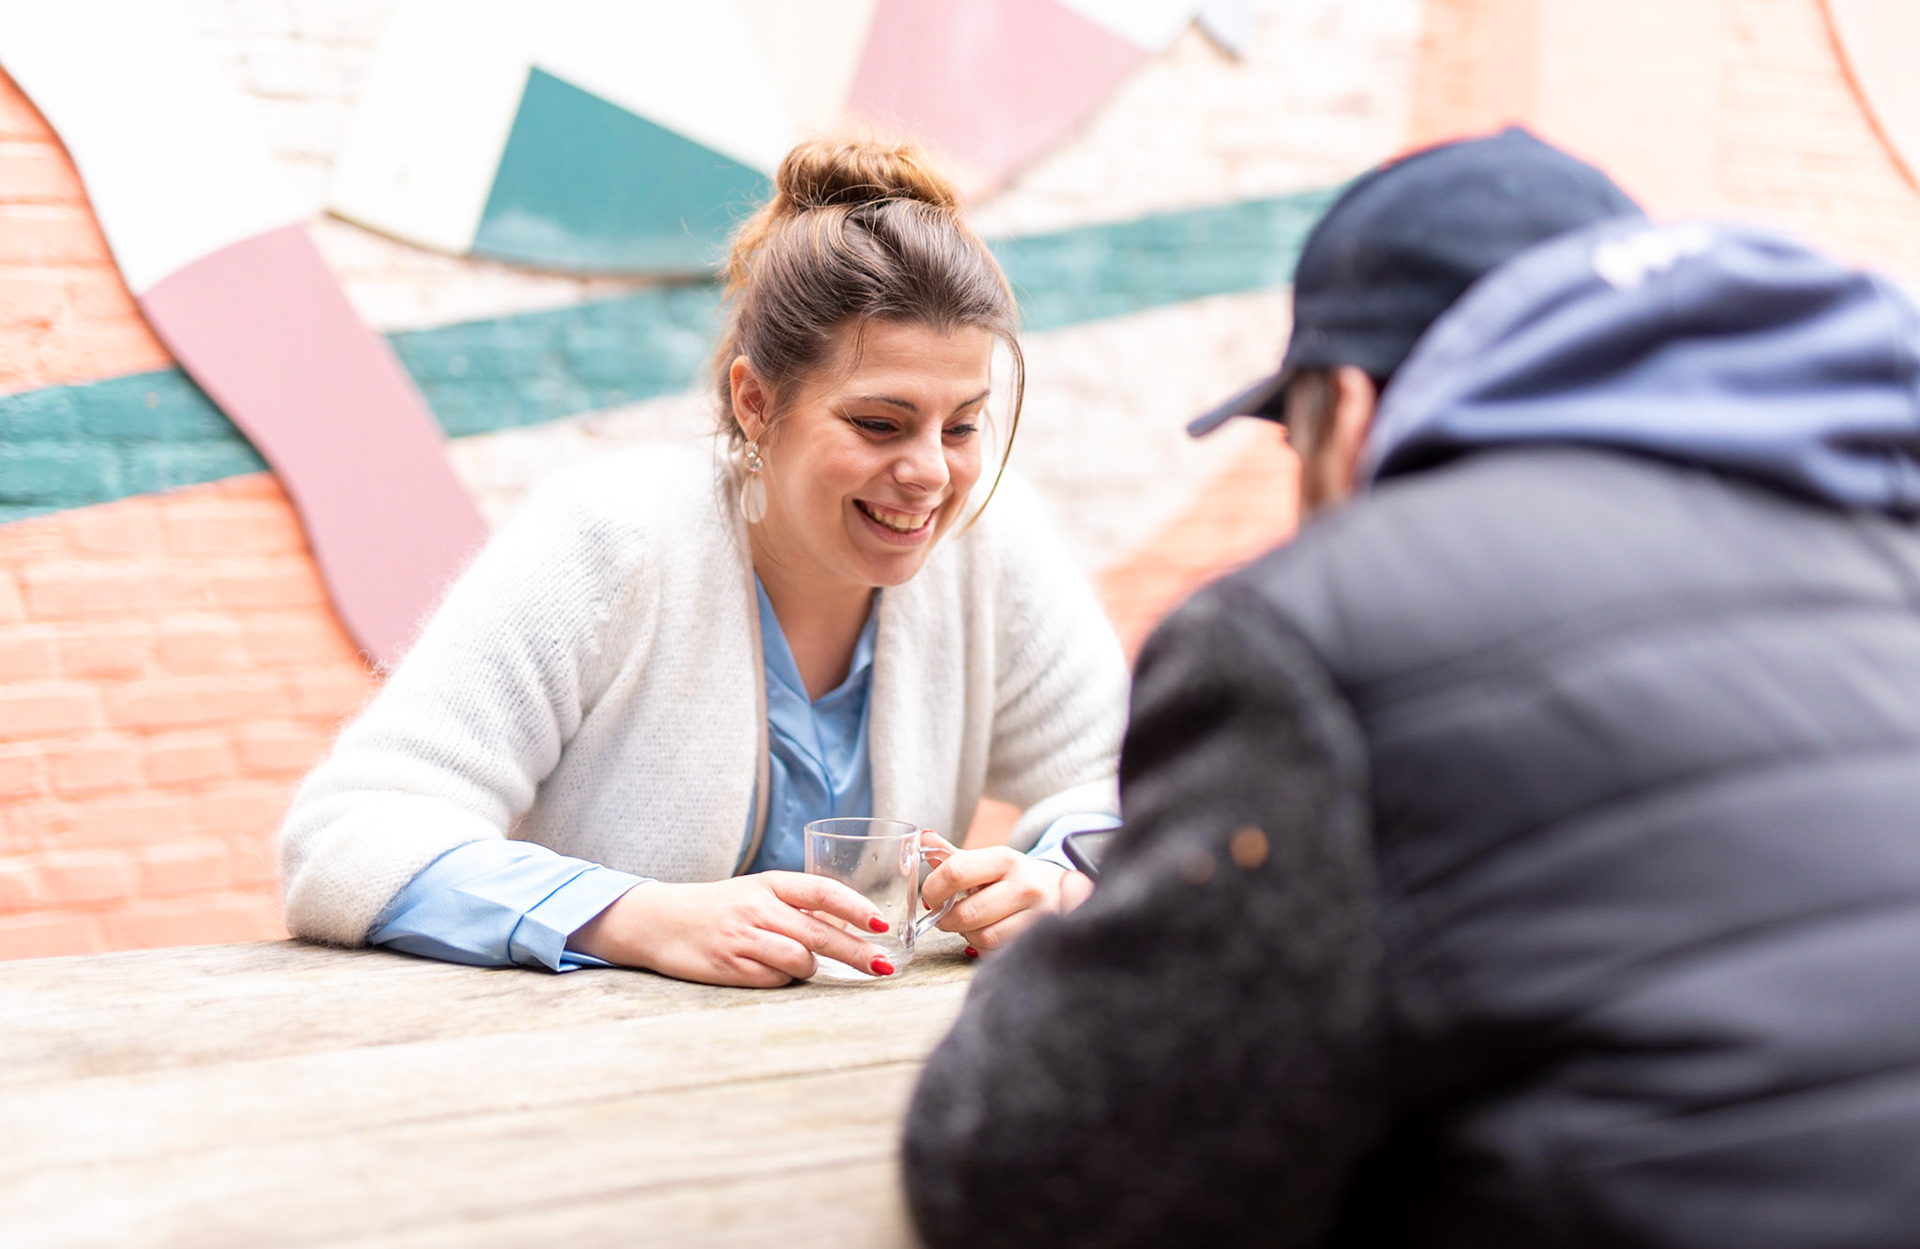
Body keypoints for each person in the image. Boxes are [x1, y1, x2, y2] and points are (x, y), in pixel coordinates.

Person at [903, 126, 1920, 1246]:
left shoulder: (1329, 627)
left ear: (1345, 409)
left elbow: (1028, 1166)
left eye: (1292, 444)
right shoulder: (1878, 556)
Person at [278, 136, 1127, 987]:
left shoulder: (990, 541)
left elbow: (1140, 781)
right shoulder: (607, 541)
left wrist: (1061, 878)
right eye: (878, 424)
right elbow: (348, 836)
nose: (932, 474)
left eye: (963, 425)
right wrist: (632, 915)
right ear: (754, 402)